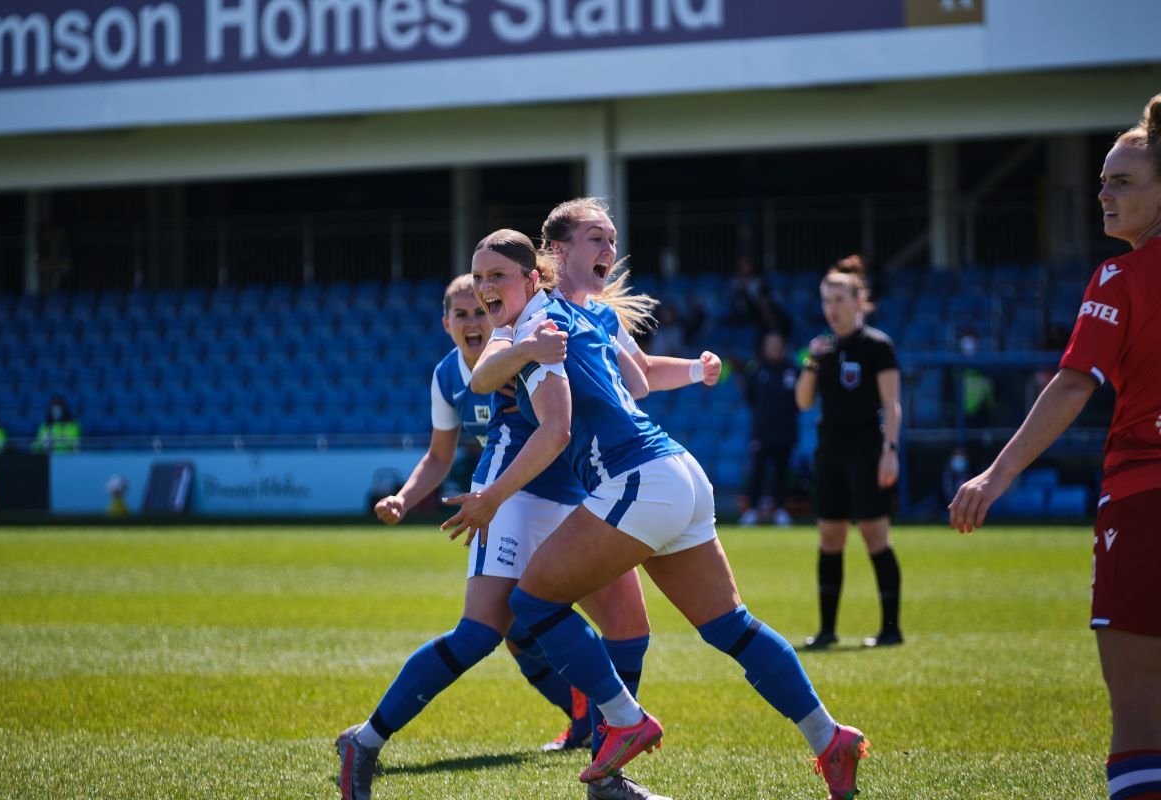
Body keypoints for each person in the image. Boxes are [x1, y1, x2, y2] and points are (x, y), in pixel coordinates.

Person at [444, 229, 867, 799]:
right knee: (730, 627)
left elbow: (546, 414)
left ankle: (623, 717)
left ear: (535, 272)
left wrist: (492, 495)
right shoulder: (581, 317)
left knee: (532, 602)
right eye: (597, 238)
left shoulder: (546, 322)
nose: (608, 251)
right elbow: (629, 377)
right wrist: (692, 370)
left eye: (610, 240)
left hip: (635, 475)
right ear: (560, 252)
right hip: (679, 472)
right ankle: (829, 737)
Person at [336, 274, 661, 800]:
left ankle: (606, 771)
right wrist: (407, 495)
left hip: (572, 493)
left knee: (626, 626)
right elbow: (442, 451)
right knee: (482, 633)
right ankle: (367, 739)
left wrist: (693, 370)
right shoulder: (477, 363)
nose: (473, 321)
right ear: (446, 323)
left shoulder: (532, 329)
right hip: (510, 495)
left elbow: (634, 378)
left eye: (482, 309)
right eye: (462, 314)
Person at [950, 94, 1161, 800]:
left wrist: (994, 475)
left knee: (1138, 723)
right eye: (1102, 179)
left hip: (1145, 506)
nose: (1104, 193)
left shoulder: (1120, 278)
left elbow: (1074, 385)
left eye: (1122, 181)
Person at [795, 255, 904, 650]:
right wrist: (810, 362)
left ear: (859, 300)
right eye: (827, 300)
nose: (832, 308)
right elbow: (804, 402)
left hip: (867, 451)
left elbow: (892, 403)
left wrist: (890, 450)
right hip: (830, 454)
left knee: (876, 536)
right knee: (829, 539)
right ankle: (827, 630)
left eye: (840, 299)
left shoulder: (878, 346)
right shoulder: (821, 350)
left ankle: (891, 628)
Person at [738, 331, 800, 526]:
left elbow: (800, 400)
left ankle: (780, 510)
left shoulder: (793, 370)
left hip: (786, 431)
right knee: (757, 472)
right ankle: (752, 510)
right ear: (765, 347)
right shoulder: (757, 370)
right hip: (762, 432)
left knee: (782, 473)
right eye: (770, 344)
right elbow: (750, 398)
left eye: (777, 343)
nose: (774, 347)